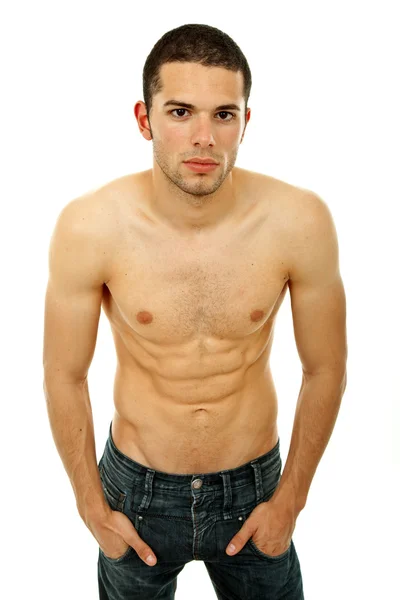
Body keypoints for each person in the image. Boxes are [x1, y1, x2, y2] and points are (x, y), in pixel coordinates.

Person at [43, 23, 347, 600]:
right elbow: (64, 374)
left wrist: (290, 501)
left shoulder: (298, 221)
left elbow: (325, 368)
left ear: (245, 122)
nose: (204, 137)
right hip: (136, 495)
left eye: (223, 115)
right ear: (144, 118)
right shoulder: (91, 227)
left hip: (256, 489)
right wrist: (91, 509)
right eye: (181, 112)